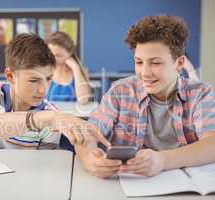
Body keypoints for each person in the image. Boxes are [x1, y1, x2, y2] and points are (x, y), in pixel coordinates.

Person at [75, 15, 215, 178]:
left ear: (180, 63)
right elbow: (89, 133)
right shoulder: (120, 92)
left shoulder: (201, 94)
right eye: (139, 62)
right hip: (127, 185)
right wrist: (89, 160)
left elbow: (212, 143)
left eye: (156, 63)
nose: (145, 73)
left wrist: (163, 160)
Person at [0, 33, 109, 149]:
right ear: (10, 76)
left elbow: (44, 163)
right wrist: (48, 118)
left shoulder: (50, 111)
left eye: (48, 79)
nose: (43, 89)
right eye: (34, 80)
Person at [46, 31, 91, 104]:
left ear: (69, 53)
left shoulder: (81, 71)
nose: (52, 59)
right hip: (48, 114)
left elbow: (83, 100)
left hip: (71, 114)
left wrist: (76, 68)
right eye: (50, 54)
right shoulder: (44, 70)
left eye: (58, 55)